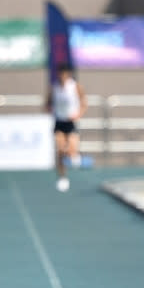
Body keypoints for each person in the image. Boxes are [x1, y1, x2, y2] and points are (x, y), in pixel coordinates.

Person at [46, 63, 87, 192]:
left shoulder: (74, 86)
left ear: (68, 74)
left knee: (71, 149)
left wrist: (78, 114)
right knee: (60, 150)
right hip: (59, 121)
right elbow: (48, 103)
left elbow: (84, 102)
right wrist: (50, 110)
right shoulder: (55, 87)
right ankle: (62, 178)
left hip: (70, 122)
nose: (62, 76)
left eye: (65, 74)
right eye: (60, 74)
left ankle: (74, 155)